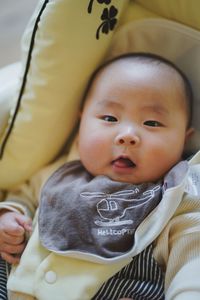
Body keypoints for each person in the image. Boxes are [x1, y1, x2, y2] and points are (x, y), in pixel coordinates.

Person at [1, 52, 200, 300]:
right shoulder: (61, 172)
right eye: (109, 118)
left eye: (151, 123)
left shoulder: (180, 195)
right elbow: (23, 196)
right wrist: (10, 216)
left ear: (184, 139)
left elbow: (193, 258)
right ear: (81, 122)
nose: (127, 135)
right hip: (15, 282)